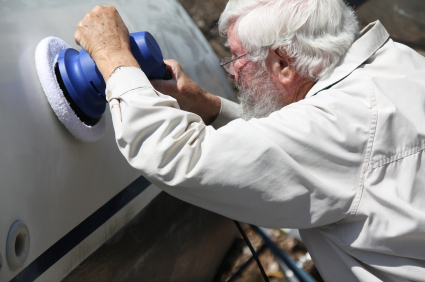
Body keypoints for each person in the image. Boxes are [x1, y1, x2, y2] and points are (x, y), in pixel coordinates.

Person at [74, 0, 425, 281]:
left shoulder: (338, 125)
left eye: (237, 57)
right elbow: (304, 143)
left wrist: (113, 57)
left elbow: (176, 156)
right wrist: (209, 107)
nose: (231, 70)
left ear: (284, 64)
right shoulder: (394, 63)